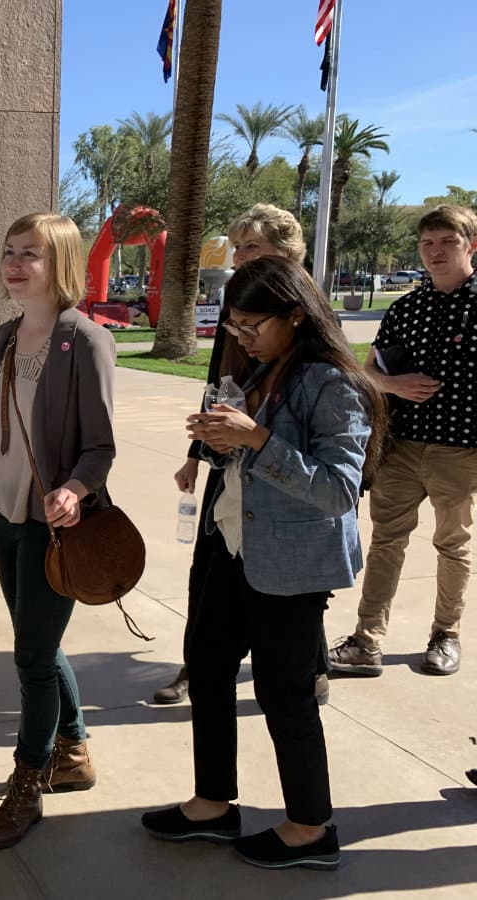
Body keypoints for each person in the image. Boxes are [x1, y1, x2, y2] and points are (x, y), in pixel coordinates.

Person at [141, 256, 386, 870]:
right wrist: (211, 443)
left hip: (290, 567)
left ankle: (310, 826)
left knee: (286, 695)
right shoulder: (256, 368)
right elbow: (241, 450)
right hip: (227, 548)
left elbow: (336, 490)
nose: (242, 338)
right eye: (235, 327)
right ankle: (212, 804)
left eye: (253, 326)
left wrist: (257, 440)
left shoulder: (333, 384)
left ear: (296, 315)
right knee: (209, 670)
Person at [0, 212, 116, 849]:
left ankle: (27, 781)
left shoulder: (84, 339)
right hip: (8, 518)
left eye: (33, 254)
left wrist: (75, 490)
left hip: (56, 527)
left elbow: (101, 446)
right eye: (9, 251)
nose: (16, 264)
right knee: (38, 645)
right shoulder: (3, 334)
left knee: (30, 654)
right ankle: (73, 749)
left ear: (63, 263)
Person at [156, 203, 332, 707]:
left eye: (251, 246)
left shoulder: (308, 314)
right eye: (237, 246)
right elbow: (217, 386)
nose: (239, 256)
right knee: (209, 565)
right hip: (230, 457)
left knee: (296, 584)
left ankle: (311, 666)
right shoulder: (237, 302)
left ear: (286, 251)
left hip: (287, 474)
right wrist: (196, 451)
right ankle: (198, 665)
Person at [329, 205, 477, 677]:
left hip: (460, 450)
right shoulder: (406, 307)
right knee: (386, 542)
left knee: (453, 544)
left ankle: (445, 635)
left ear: (470, 246)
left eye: (447, 242)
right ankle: (366, 641)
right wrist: (395, 386)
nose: (435, 252)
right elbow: (367, 370)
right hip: (401, 446)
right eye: (427, 244)